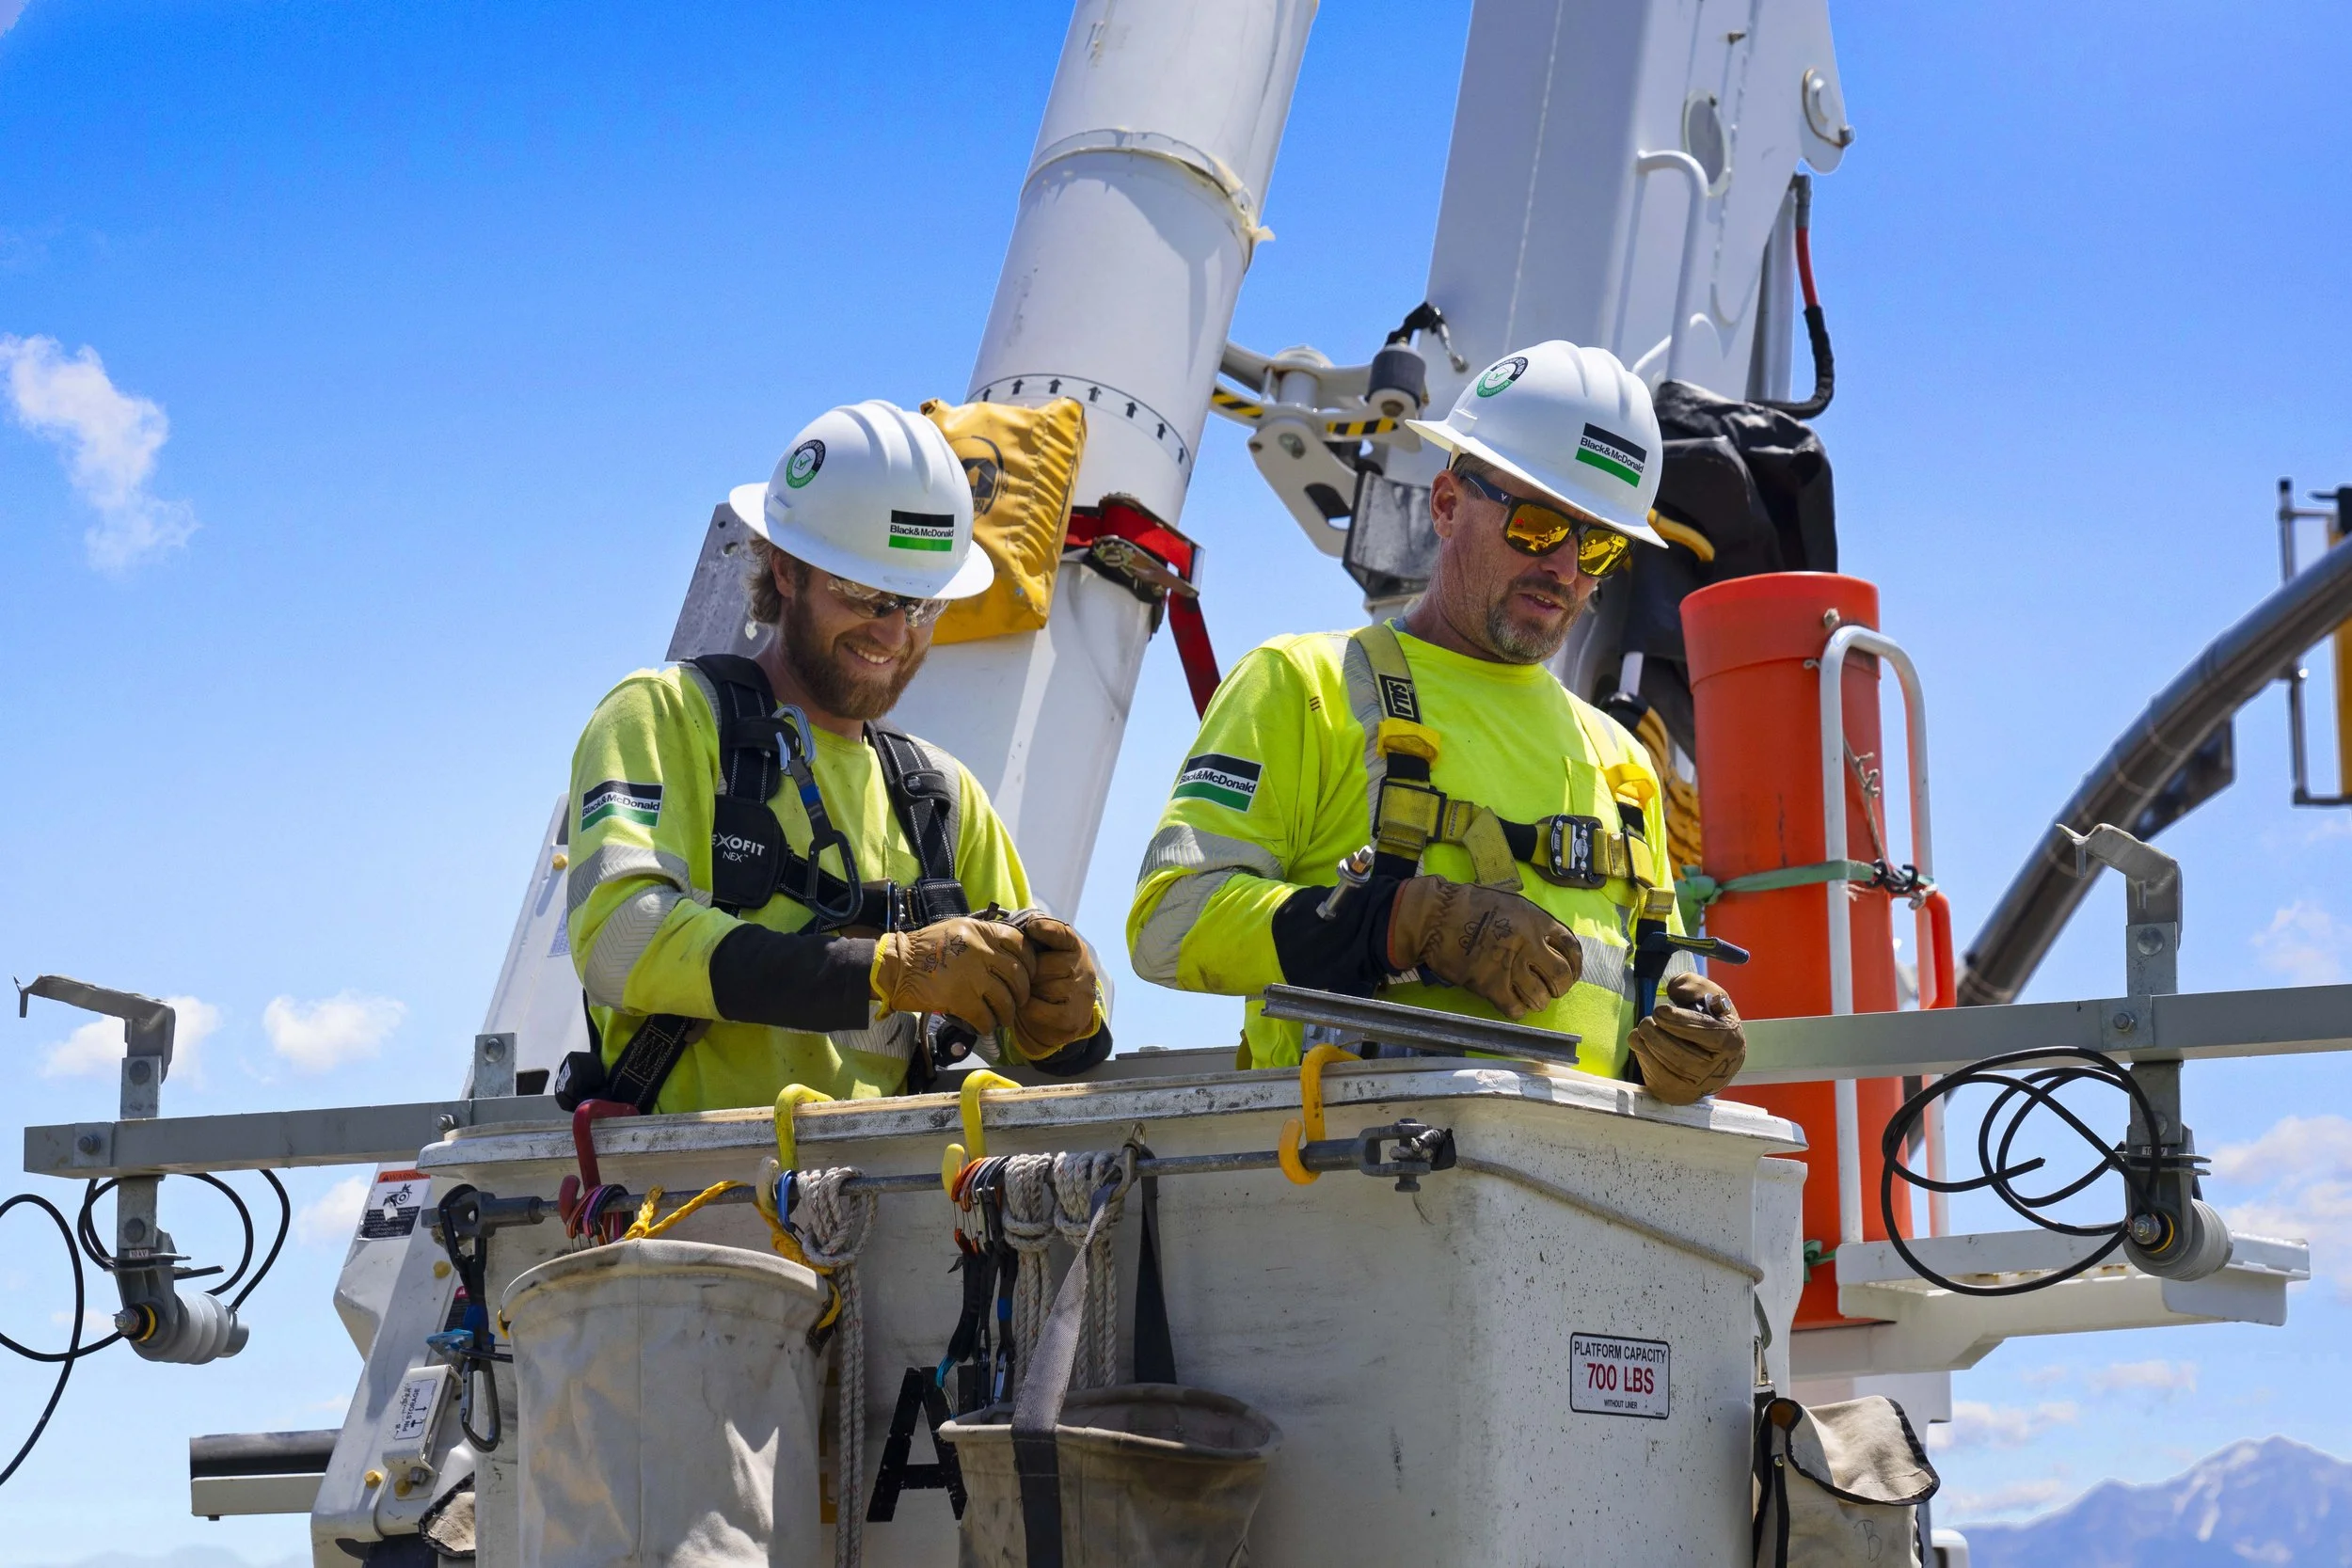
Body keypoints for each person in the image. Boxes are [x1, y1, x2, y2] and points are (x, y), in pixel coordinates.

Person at [1125, 341, 1745, 1103]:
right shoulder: (1306, 683)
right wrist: (1397, 923)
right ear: (1447, 503)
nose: (1565, 569)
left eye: (1600, 546)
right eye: (1539, 526)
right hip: (1361, 1183)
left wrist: (1692, 1028)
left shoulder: (1622, 760)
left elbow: (1654, 980)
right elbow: (1169, 923)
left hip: (1589, 1188)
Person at [558, 399, 1110, 1113]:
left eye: (920, 605)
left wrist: (1064, 1003)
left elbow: (1031, 1049)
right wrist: (883, 970)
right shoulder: (668, 717)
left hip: (889, 1204)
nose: (893, 632)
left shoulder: (939, 797)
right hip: (686, 1193)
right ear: (786, 570)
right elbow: (617, 938)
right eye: (866, 593)